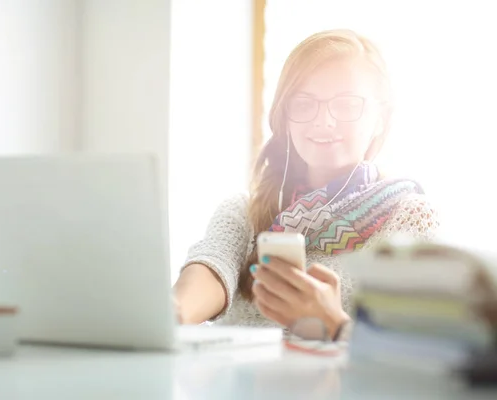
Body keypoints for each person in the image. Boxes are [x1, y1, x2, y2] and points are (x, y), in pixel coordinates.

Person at [172, 29, 440, 339]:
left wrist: (331, 323)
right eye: (304, 103)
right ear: (285, 118)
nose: (323, 121)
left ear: (380, 117)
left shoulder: (410, 217)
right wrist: (172, 313)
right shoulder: (245, 211)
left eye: (346, 104)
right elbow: (211, 266)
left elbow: (415, 349)